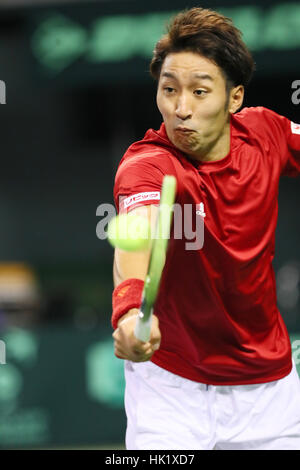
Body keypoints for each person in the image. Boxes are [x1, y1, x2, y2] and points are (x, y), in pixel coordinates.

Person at [111, 7, 300, 450]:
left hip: (268, 393)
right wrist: (128, 309)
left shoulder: (266, 134)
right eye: (169, 90)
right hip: (170, 385)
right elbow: (135, 235)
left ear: (234, 98)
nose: (181, 109)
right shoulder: (146, 164)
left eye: (199, 92)